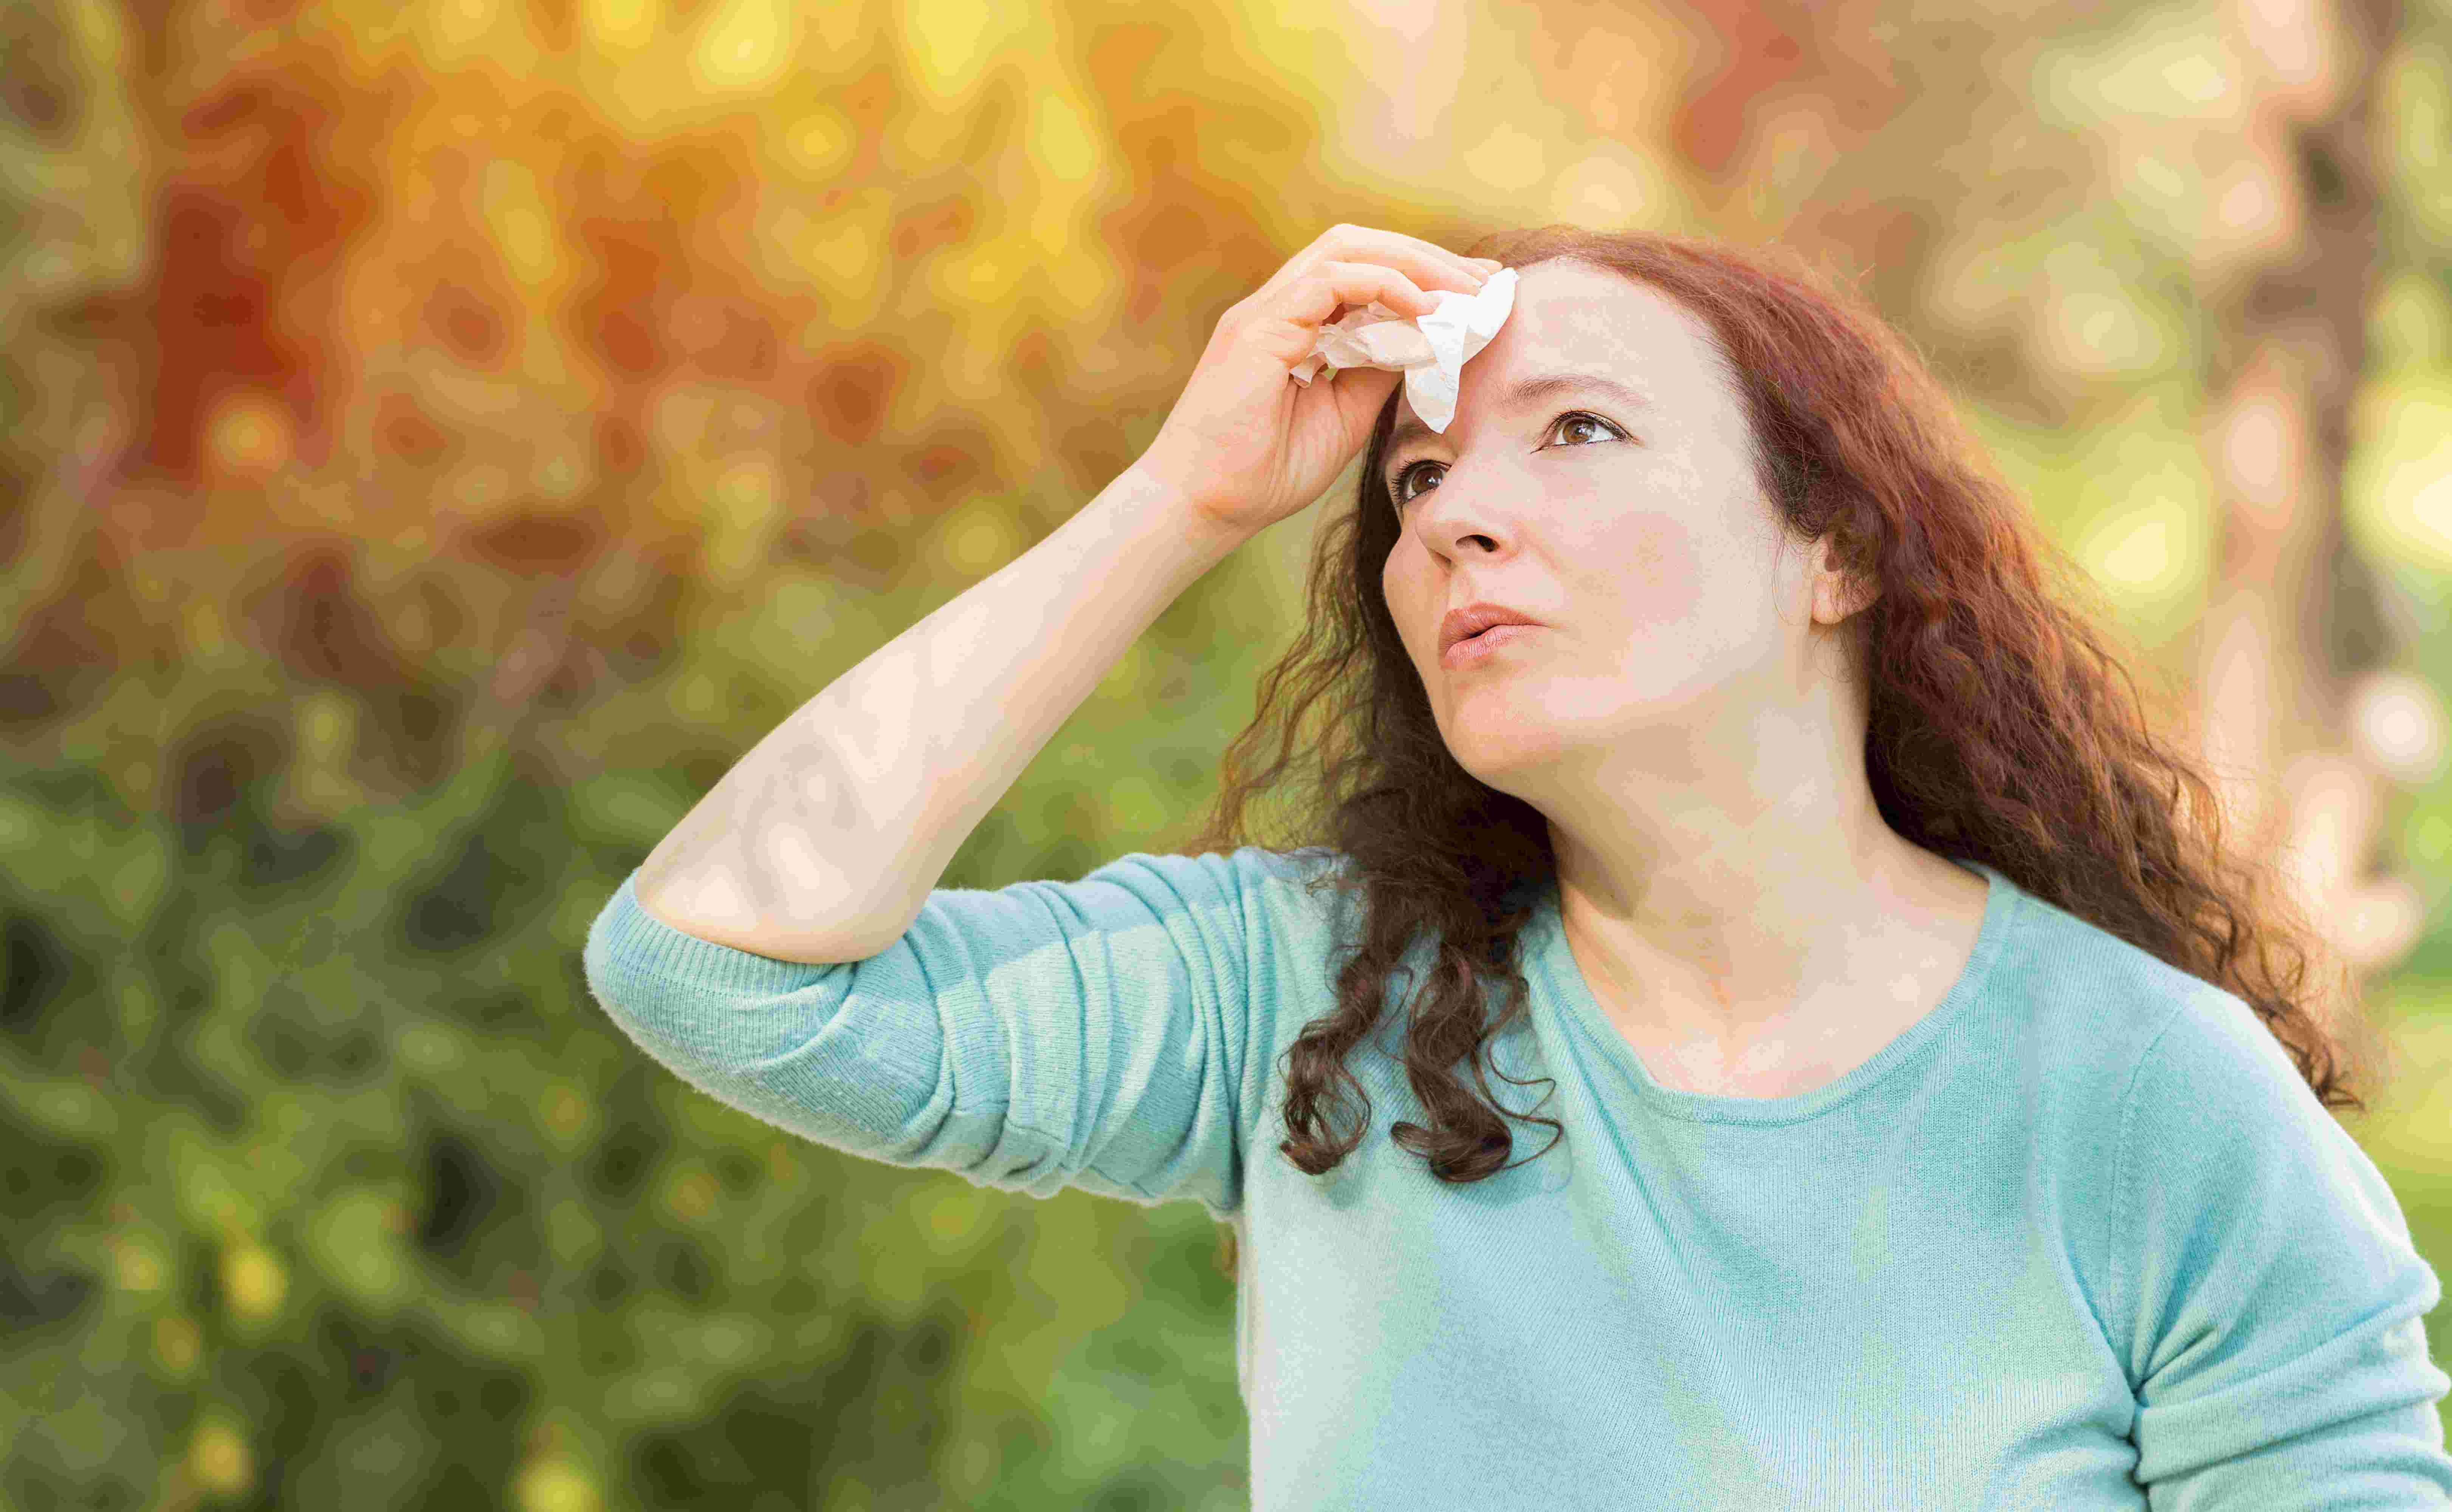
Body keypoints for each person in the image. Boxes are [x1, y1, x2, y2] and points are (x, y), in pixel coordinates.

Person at [582, 223, 2452, 1508]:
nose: (1458, 507)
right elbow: (715, 966)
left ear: (1837, 553)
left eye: (1578, 431)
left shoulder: (2146, 1105)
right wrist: (1186, 494)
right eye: (1412, 482)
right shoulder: (1304, 996)